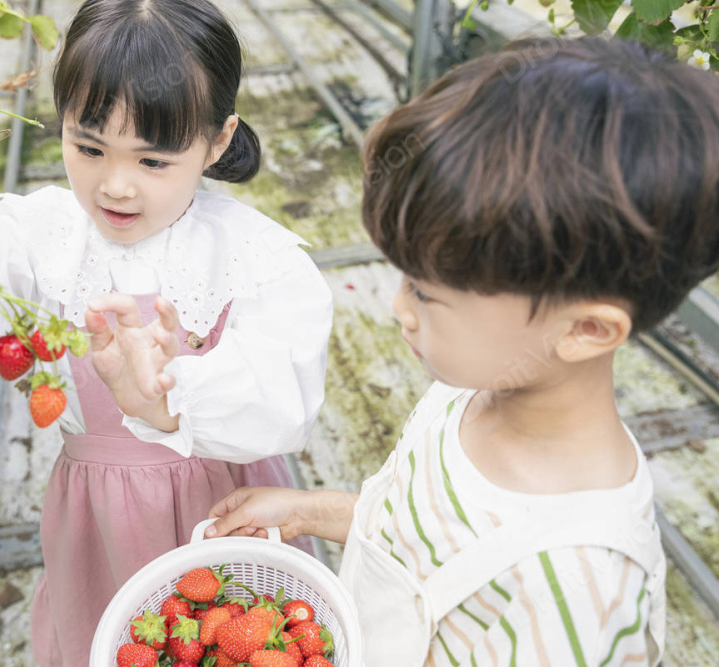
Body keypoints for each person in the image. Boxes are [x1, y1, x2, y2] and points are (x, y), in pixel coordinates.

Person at [0, 0, 333, 664]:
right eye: (89, 147)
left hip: (223, 508)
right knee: (104, 636)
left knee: (231, 636)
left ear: (217, 141)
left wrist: (168, 397)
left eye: (154, 161)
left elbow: (284, 403)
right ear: (63, 123)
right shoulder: (40, 237)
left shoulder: (251, 255)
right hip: (100, 516)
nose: (116, 185)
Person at [206, 36, 719, 665]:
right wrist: (310, 509)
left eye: (425, 291)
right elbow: (421, 539)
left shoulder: (573, 592)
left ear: (584, 330)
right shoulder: (476, 386)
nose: (398, 308)